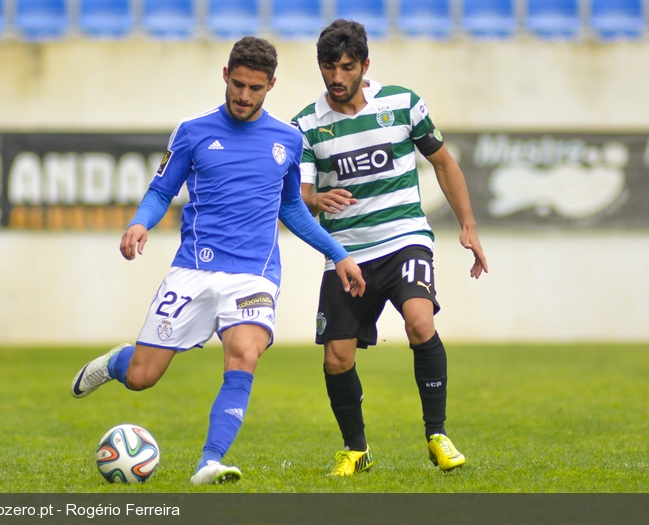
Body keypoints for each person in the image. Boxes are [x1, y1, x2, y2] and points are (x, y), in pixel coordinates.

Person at [70, 36, 365, 486]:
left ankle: (210, 460)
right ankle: (115, 364)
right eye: (239, 85)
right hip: (193, 270)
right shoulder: (192, 131)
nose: (244, 97)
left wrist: (338, 253)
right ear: (226, 76)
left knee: (244, 354)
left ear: (271, 85)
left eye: (255, 88)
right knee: (143, 376)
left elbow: (290, 208)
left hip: (254, 275)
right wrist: (140, 223)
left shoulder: (288, 139)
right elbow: (161, 190)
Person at [291, 19, 488, 476]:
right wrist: (316, 198)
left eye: (346, 67)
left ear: (364, 65)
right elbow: (297, 196)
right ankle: (356, 449)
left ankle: (437, 434)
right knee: (337, 357)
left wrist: (469, 227)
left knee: (420, 323)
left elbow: (443, 162)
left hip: (404, 240)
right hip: (346, 253)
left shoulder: (403, 104)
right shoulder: (305, 125)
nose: (337, 78)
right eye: (328, 67)